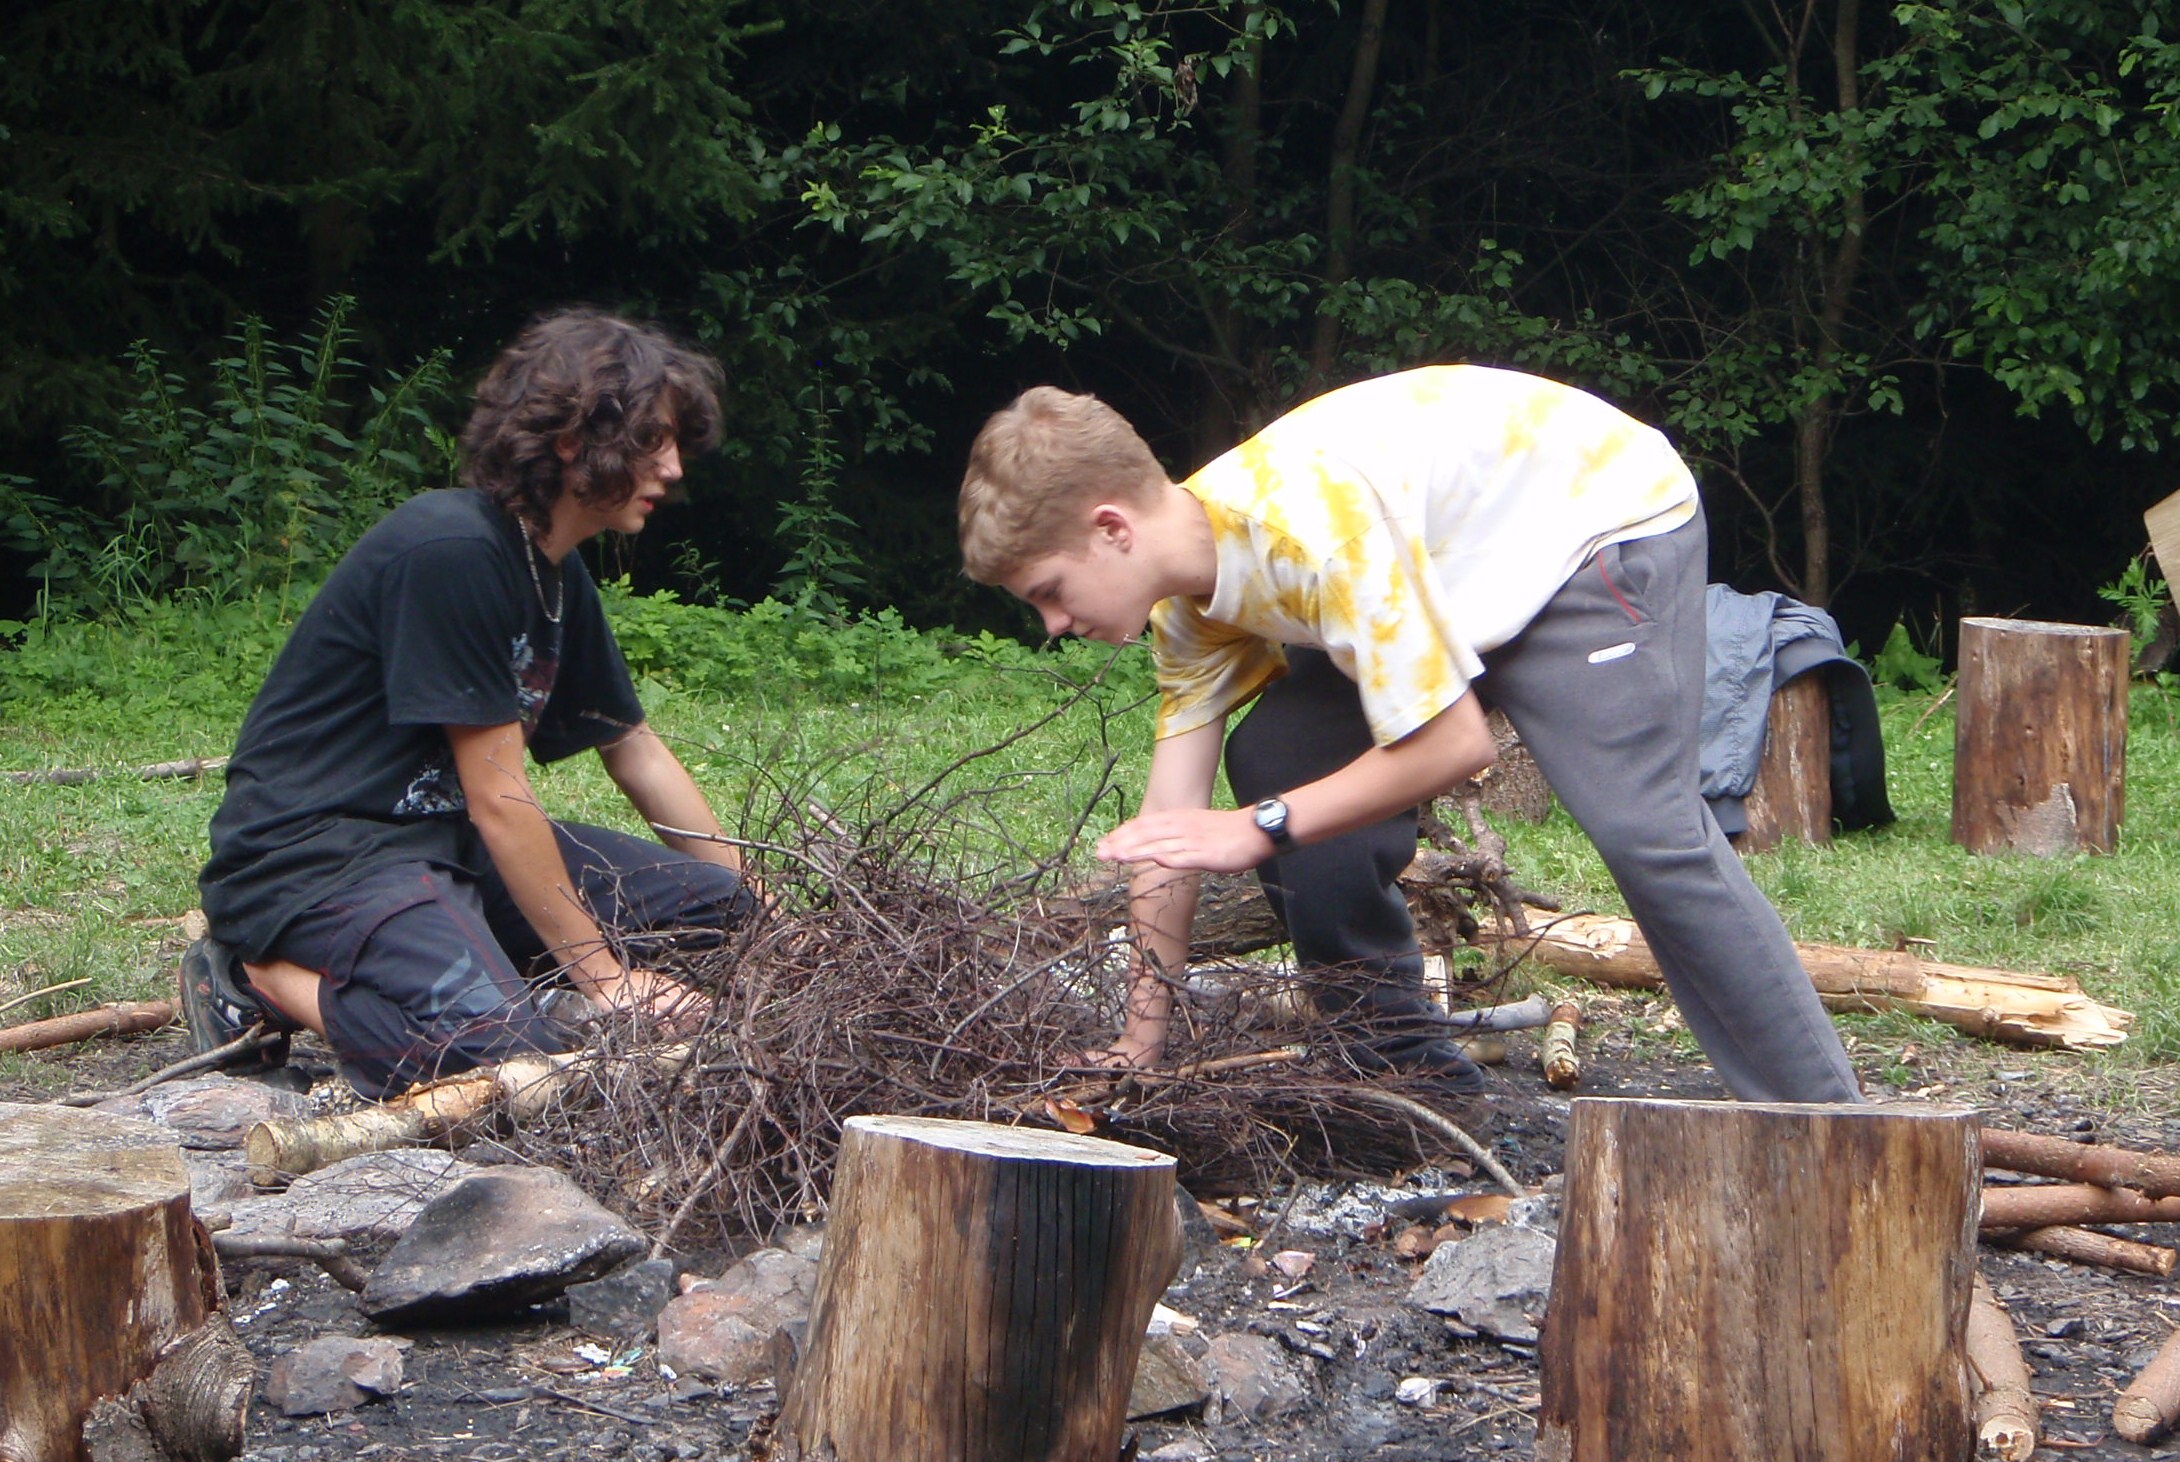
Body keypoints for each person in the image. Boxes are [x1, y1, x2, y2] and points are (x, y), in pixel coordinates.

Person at [957, 365, 1862, 1104]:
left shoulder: (1307, 533)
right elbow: (1169, 830)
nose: (1053, 624)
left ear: (1111, 528)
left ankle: (1830, 1124)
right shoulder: (1191, 610)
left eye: (1049, 591)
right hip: (1441, 571)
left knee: (1648, 832)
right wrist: (1138, 1044)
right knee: (1280, 754)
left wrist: (1259, 826)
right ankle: (1403, 1073)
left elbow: (1453, 744)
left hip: (1591, 529)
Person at [181, 308, 759, 1100]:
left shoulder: (555, 572)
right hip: (318, 857)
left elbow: (636, 751)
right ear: (572, 439)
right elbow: (498, 798)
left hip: (443, 846)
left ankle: (479, 969)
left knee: (726, 914)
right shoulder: (452, 549)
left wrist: (770, 918)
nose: (673, 467)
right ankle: (257, 978)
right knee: (503, 1049)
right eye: (652, 440)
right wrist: (605, 980)